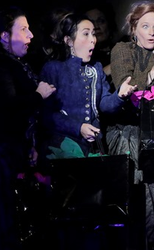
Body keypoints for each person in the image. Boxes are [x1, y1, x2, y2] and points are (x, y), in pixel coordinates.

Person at [0, 6, 56, 250]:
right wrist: (38, 95)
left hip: (9, 152)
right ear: (4, 35)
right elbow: (6, 108)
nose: (30, 35)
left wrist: (30, 146)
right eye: (23, 29)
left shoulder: (13, 62)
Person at [108, 1, 154, 250]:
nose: (152, 32)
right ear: (134, 27)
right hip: (129, 137)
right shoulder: (122, 50)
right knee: (138, 205)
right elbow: (126, 85)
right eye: (145, 26)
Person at [39, 12, 135, 159]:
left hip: (91, 147)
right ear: (69, 41)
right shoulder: (53, 69)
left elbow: (104, 105)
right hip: (62, 147)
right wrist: (78, 128)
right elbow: (47, 115)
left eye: (93, 34)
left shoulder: (95, 68)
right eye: (86, 34)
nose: (93, 40)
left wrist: (119, 96)